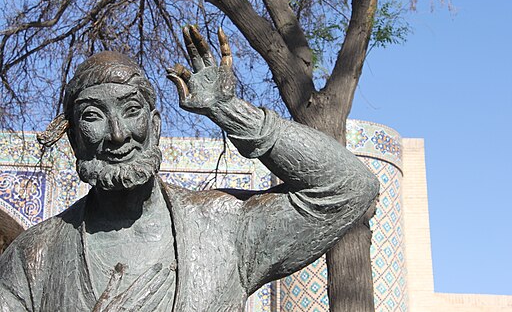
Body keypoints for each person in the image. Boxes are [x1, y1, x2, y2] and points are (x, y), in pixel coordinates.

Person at [0, 25, 379, 311]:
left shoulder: (226, 227)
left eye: (131, 111)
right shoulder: (34, 256)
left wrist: (228, 111)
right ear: (74, 140)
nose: (117, 135)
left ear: (156, 125)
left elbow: (351, 187)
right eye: (94, 117)